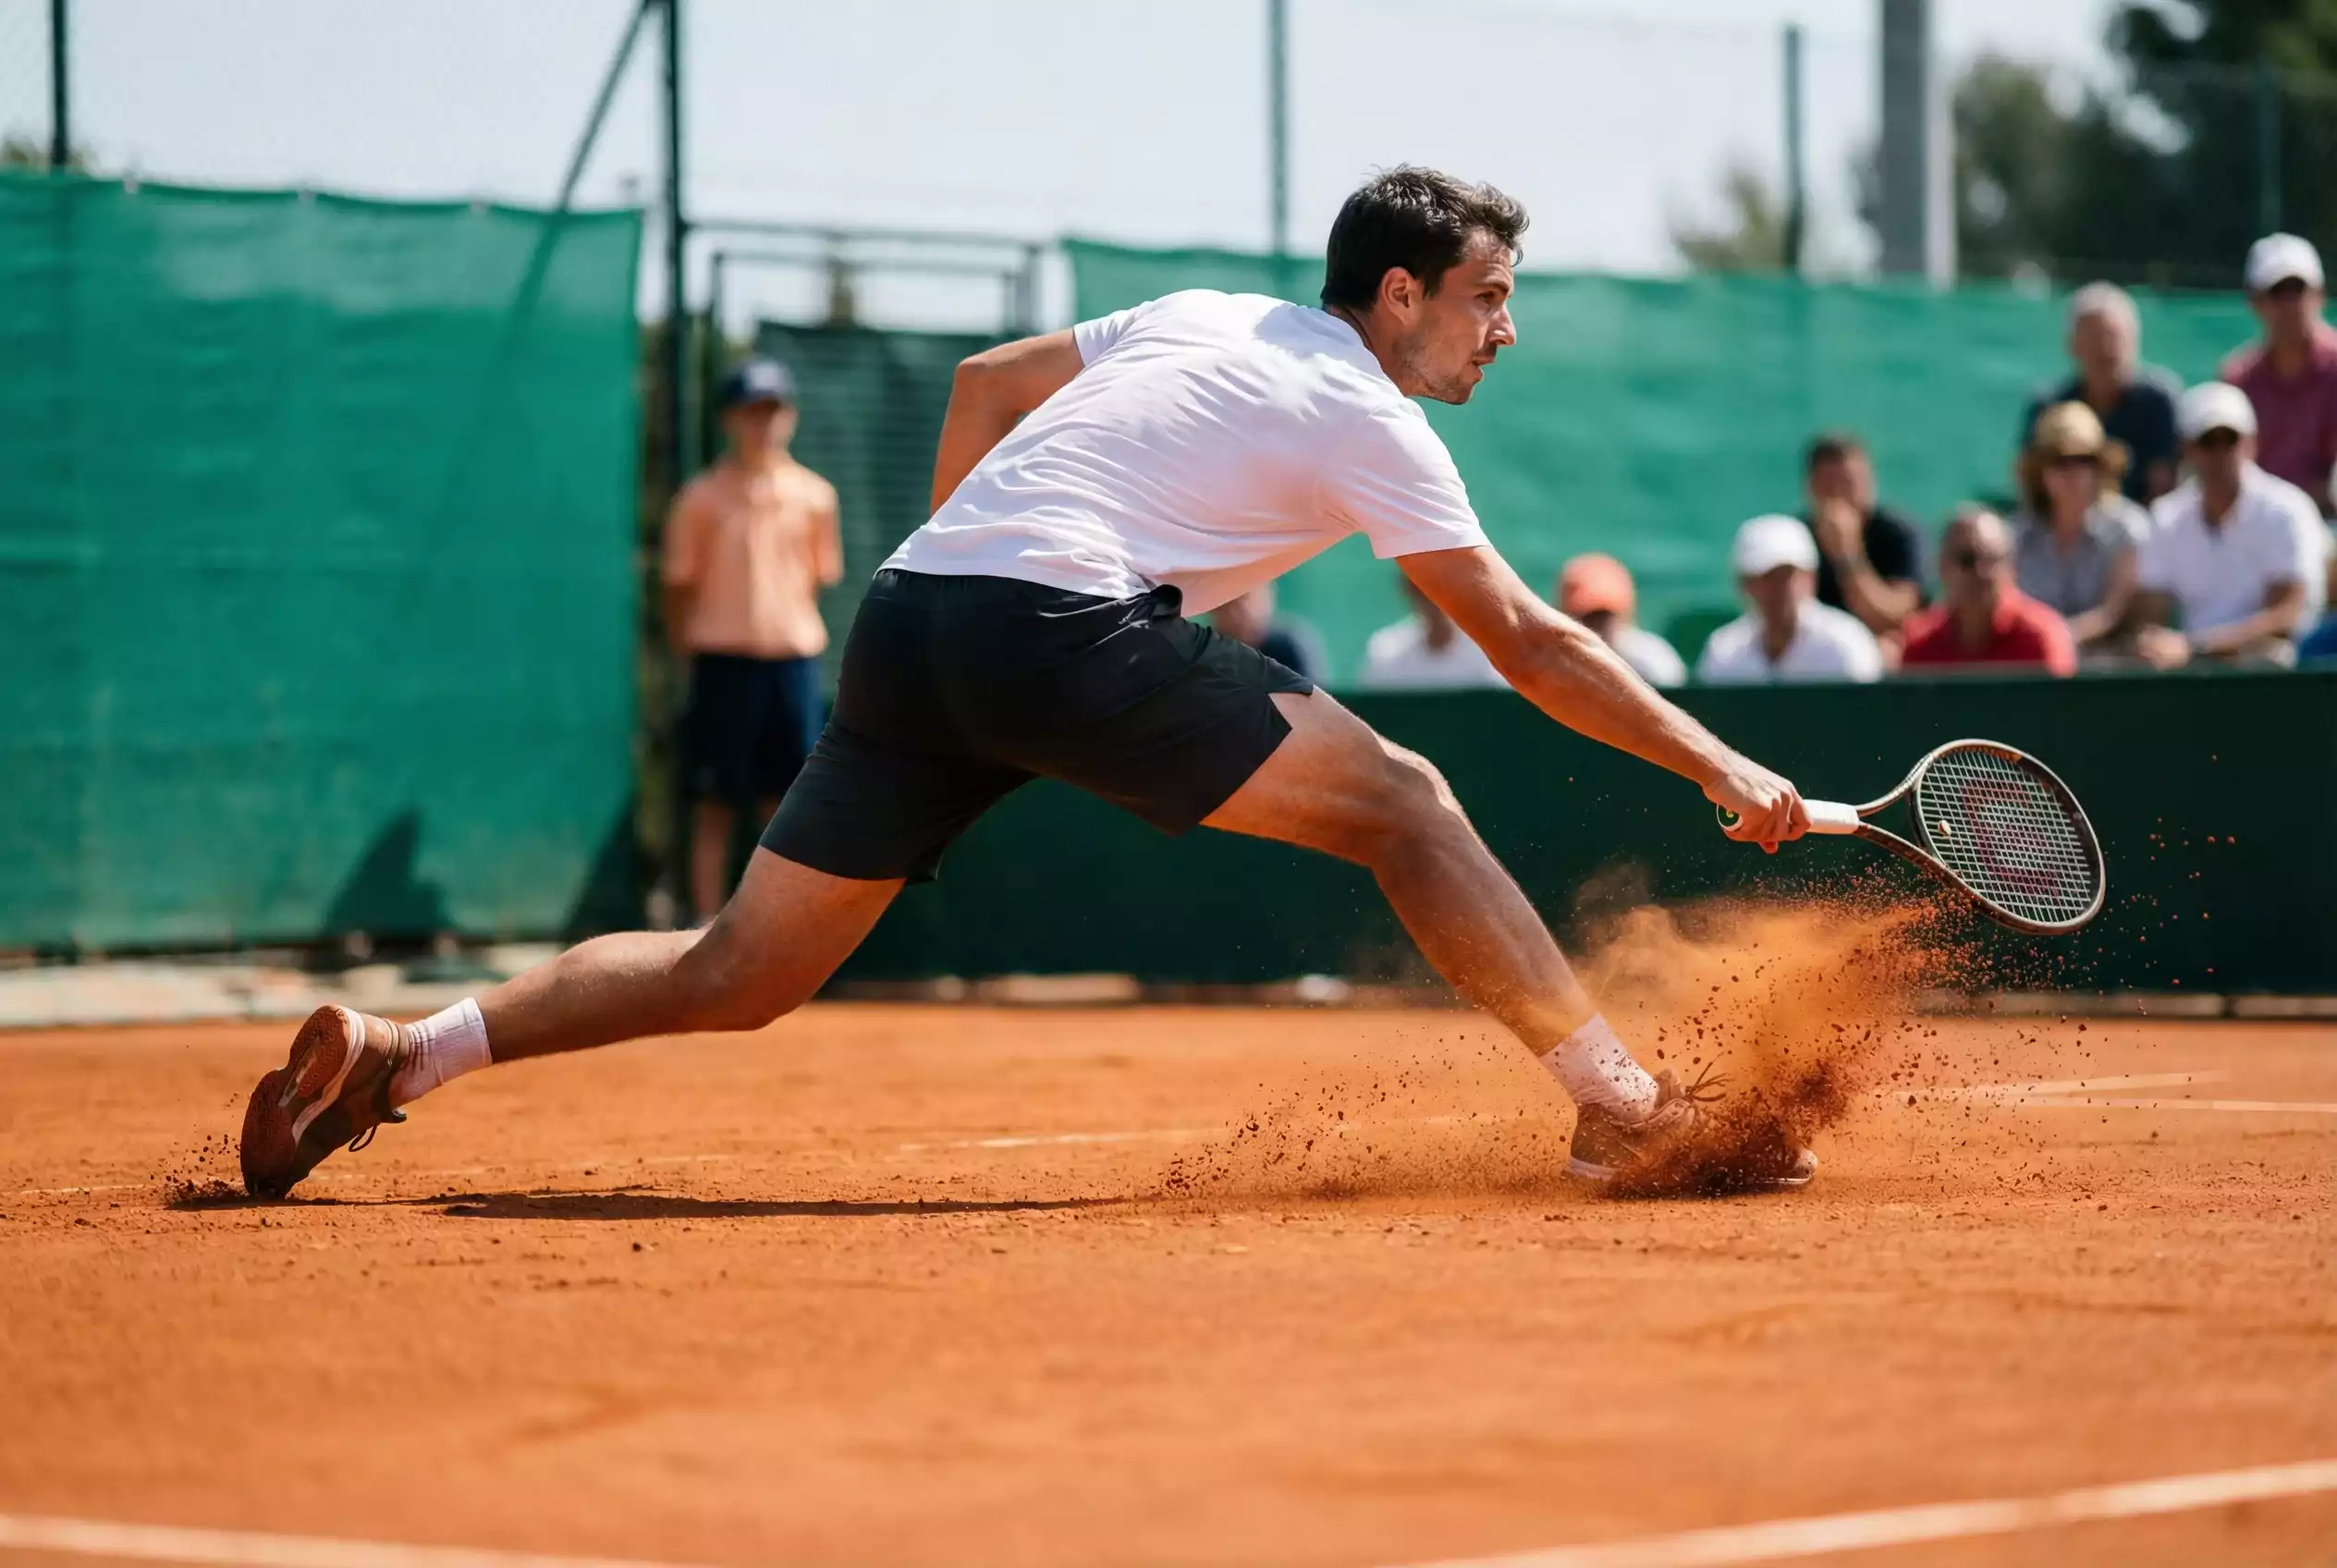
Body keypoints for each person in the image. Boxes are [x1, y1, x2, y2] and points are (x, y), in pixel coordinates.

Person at [237, 166, 1818, 1206]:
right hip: (1058, 623)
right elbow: (1529, 641)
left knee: (737, 968)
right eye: (1486, 296)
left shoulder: (1203, 310)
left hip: (910, 613)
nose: (1505, 330)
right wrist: (1717, 764)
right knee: (1408, 807)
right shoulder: (1368, 414)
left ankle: (401, 1055)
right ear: (1398, 293)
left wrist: (964, 568)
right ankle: (1618, 1104)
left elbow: (984, 383)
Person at [661, 359, 844, 924]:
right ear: (728, 420)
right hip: (722, 667)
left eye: (772, 411)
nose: (762, 425)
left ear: (789, 417)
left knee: (786, 804)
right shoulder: (699, 498)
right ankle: (704, 928)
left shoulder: (816, 496)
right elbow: (679, 589)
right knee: (714, 802)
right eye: (750, 412)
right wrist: (689, 659)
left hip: (793, 666)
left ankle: (776, 927)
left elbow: (817, 578)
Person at [2133, 382, 2327, 670]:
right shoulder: (2166, 516)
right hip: (2188, 668)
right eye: (2208, 442)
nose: (2220, 453)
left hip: (2271, 670)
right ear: (2186, 449)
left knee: (2271, 656)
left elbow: (2286, 616)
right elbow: (2151, 615)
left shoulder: (2287, 510)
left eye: (2230, 440)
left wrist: (2195, 647)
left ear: (2251, 444)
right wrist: (2161, 646)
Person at [2018, 282, 2182, 504]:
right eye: (2095, 338)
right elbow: (2031, 488)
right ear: (2073, 345)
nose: (2106, 349)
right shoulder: (2048, 407)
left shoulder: (2159, 402)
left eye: (2115, 337)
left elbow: (2165, 487)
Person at [2009, 401, 2151, 652]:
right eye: (2058, 460)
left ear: (2099, 468)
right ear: (2040, 472)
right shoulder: (2013, 537)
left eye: (2083, 460)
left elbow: (2112, 612)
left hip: (2106, 668)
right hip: (2031, 664)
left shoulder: (2128, 529)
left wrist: (2053, 638)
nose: (2071, 472)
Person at [2221, 234, 2337, 519]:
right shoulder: (2238, 379)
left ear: (2320, 295)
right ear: (2254, 302)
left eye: (2297, 290)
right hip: (2257, 525)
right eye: (2277, 293)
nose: (2290, 304)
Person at [1695, 514, 1885, 684]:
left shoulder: (1846, 643)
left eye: (1788, 574)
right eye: (1766, 577)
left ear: (1811, 577)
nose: (1780, 588)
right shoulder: (1722, 651)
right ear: (1745, 585)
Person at [1899, 508, 2076, 676]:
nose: (1981, 572)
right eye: (1967, 559)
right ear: (1942, 567)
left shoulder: (2041, 637)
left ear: (2012, 567)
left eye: (1992, 560)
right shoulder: (1919, 643)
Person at [1800, 432, 1925, 642]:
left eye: (1849, 483)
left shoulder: (1897, 533)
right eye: (1830, 485)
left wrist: (1848, 555)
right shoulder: (1795, 538)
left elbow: (1897, 617)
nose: (1840, 495)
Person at [1357, 572, 1507, 690]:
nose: (1434, 597)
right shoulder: (1385, 651)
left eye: (1446, 585)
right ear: (1409, 590)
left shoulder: (1491, 653)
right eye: (1423, 586)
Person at [1556, 553, 1684, 688]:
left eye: (1605, 616)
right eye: (1587, 617)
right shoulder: (1551, 663)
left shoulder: (1652, 662)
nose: (1597, 628)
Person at [1210, 582, 1329, 683]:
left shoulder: (1289, 647)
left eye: (1244, 598)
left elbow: (1310, 697)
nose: (1235, 612)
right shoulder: (1208, 654)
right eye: (1227, 603)